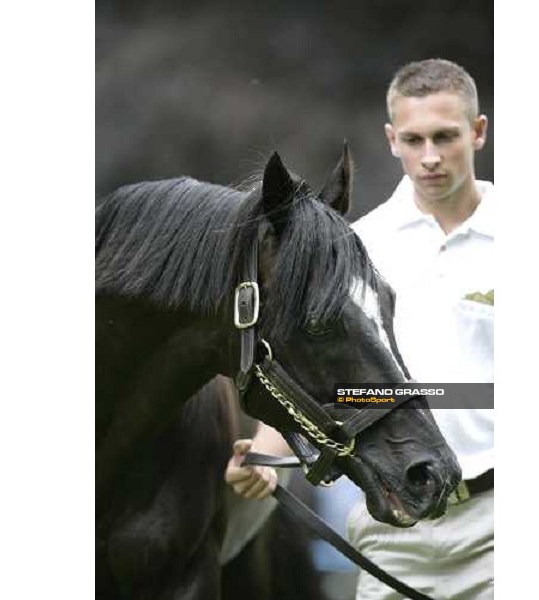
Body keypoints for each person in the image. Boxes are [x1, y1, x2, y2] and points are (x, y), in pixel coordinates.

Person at [225, 58, 494, 600]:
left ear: (479, 132)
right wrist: (267, 452)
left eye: (446, 136)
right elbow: (318, 365)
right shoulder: (355, 246)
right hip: (391, 524)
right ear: (392, 139)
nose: (431, 157)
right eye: (414, 139)